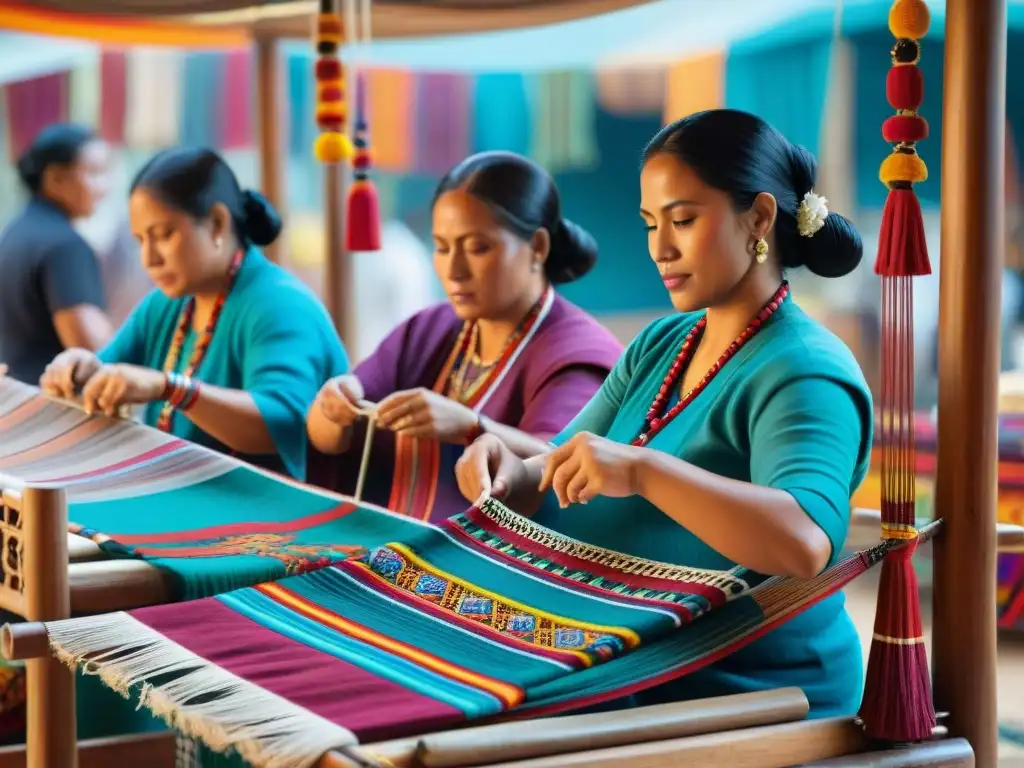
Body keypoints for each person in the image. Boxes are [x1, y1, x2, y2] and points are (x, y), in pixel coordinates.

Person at [455, 110, 872, 718]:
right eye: (651, 224)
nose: (660, 248)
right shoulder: (663, 344)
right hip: (628, 650)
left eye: (682, 220)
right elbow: (561, 464)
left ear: (758, 217)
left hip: (744, 688)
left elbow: (805, 539)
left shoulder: (805, 370)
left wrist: (645, 472)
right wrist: (510, 472)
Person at [307, 150, 622, 522]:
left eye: (478, 248)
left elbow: (561, 465)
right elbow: (327, 438)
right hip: (401, 542)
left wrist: (471, 426)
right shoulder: (428, 330)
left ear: (537, 247)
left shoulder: (576, 356)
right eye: (441, 247)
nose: (453, 270)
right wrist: (333, 408)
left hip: (496, 565)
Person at [40, 147, 349, 481]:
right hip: (187, 493)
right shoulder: (170, 302)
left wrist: (171, 388)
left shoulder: (281, 306)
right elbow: (110, 369)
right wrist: (81, 369)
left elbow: (282, 421)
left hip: (272, 522)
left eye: (163, 235)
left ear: (217, 223)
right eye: (141, 240)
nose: (149, 259)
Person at [0, 123, 114, 383]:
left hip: (14, 399)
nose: (104, 187)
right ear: (56, 178)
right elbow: (96, 352)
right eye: (94, 173)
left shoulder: (15, 231)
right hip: (50, 408)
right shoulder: (66, 246)